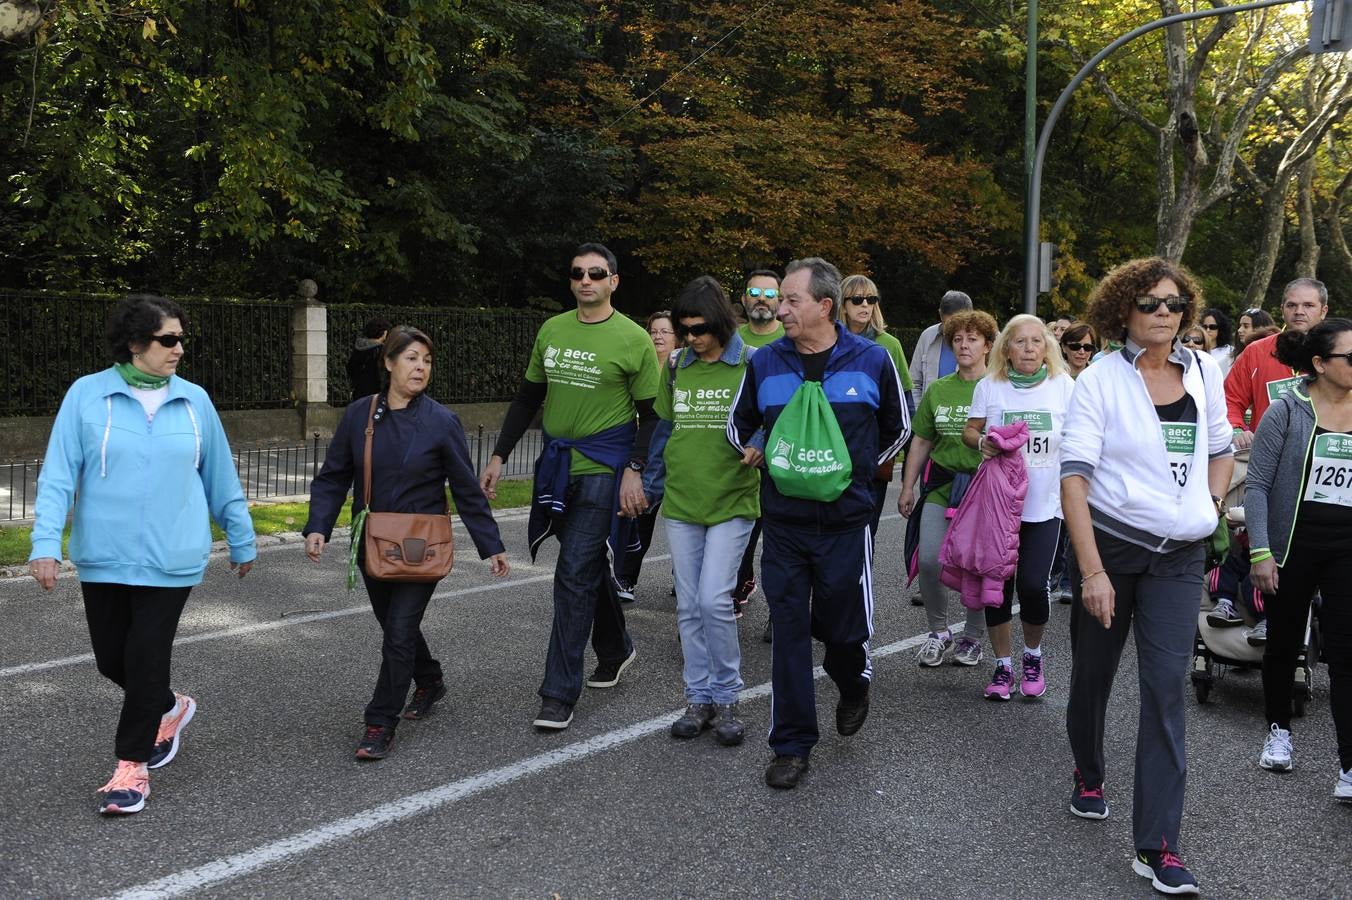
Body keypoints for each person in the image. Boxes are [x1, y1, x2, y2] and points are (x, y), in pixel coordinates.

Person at [28, 294, 258, 816]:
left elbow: (219, 475)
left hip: (173, 557)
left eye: (181, 338)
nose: (179, 348)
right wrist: (45, 544)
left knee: (146, 655)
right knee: (112, 658)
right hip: (103, 554)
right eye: (168, 339)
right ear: (135, 344)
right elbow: (59, 475)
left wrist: (241, 537)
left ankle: (130, 770)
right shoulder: (87, 396)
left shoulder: (195, 400)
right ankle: (169, 707)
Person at [1060, 258, 1233, 895]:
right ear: (1122, 312)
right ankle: (1087, 770)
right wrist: (1092, 570)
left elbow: (1219, 446)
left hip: (1180, 557)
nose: (1165, 313)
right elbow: (1073, 480)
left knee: (1165, 689)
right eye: (1150, 303)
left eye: (1174, 303)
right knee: (1093, 675)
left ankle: (1157, 846)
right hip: (1112, 548)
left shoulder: (1205, 370)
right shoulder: (1100, 381)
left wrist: (1210, 506)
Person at [728, 257, 908, 790]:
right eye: (779, 299)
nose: (779, 309)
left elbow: (899, 428)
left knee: (843, 632)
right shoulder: (765, 364)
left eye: (791, 300)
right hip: (783, 523)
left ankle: (852, 682)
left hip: (847, 524)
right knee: (788, 629)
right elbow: (738, 428)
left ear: (824, 307)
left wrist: (851, 477)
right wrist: (763, 448)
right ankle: (791, 744)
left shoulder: (872, 361)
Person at [304, 325, 509, 759]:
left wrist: (491, 545)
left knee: (398, 631)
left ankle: (380, 721)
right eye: (412, 358)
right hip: (373, 544)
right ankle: (430, 679)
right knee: (396, 627)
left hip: (422, 547)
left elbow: (466, 487)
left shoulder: (441, 421)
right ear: (389, 362)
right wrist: (317, 525)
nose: (420, 367)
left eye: (427, 360)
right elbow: (334, 476)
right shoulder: (360, 414)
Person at [480, 242, 660, 732]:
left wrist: (635, 468)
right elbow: (527, 397)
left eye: (596, 273)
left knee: (573, 571)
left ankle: (558, 693)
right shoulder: (552, 329)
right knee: (586, 566)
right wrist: (498, 455)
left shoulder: (633, 339)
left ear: (613, 281)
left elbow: (651, 415)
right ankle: (617, 647)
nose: (586, 280)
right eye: (578, 273)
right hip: (557, 465)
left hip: (605, 466)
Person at [1244, 318, 1352, 801]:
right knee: (1284, 642)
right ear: (1319, 364)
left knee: (1347, 654)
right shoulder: (1287, 411)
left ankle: (1349, 765)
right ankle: (1279, 730)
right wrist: (1262, 551)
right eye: (1349, 357)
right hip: (1292, 544)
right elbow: (1258, 485)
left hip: (1346, 547)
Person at [657, 277, 760, 745]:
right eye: (684, 330)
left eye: (699, 329)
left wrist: (759, 442)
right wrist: (643, 474)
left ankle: (727, 697)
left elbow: (776, 415)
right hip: (682, 500)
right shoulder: (677, 365)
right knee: (688, 605)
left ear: (719, 322)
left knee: (715, 600)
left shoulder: (752, 364)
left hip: (733, 500)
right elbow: (665, 425)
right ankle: (697, 696)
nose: (692, 338)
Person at [962, 315, 1075, 700]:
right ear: (1006, 348)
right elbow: (969, 430)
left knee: (1031, 584)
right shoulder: (990, 386)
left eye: (1036, 342)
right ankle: (1002, 665)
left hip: (1044, 504)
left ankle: (1032, 655)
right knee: (997, 586)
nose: (1028, 348)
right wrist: (982, 444)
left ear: (1047, 348)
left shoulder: (1063, 386)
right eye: (1020, 342)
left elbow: (1080, 436)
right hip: (998, 505)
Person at [901, 309, 999, 667]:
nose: (963, 345)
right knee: (928, 558)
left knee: (976, 565)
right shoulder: (939, 389)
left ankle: (972, 637)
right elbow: (922, 441)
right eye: (957, 339)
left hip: (984, 490)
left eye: (972, 339)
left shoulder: (999, 388)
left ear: (988, 345)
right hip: (942, 483)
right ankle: (938, 631)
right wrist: (908, 486)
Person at [838, 274, 917, 538]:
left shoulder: (889, 345)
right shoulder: (828, 341)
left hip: (873, 455)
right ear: (843, 304)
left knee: (864, 535)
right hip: (831, 451)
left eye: (871, 299)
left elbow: (906, 407)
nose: (865, 305)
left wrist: (899, 465)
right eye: (857, 299)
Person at [610, 310, 677, 602]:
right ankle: (625, 579)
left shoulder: (682, 369)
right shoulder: (638, 369)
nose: (658, 336)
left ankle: (684, 578)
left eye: (665, 331)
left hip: (676, 457)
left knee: (682, 525)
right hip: (644, 456)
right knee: (641, 516)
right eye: (654, 331)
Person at [732, 270, 784, 629]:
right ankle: (737, 586)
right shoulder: (731, 339)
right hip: (739, 451)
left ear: (780, 300)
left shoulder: (790, 339)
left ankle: (782, 609)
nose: (762, 298)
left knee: (780, 536)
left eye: (769, 292)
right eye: (755, 291)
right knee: (741, 530)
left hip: (783, 450)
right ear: (744, 299)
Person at [1226, 278, 1329, 451]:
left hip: (1321, 454)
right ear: (1282, 310)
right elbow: (1230, 400)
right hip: (1266, 454)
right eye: (1291, 305)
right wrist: (1236, 429)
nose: (1299, 312)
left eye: (1308, 305)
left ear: (1323, 311)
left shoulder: (1339, 352)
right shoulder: (1256, 351)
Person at [909, 290, 974, 409]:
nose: (953, 331)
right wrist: (921, 414)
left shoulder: (988, 339)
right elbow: (914, 382)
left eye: (959, 324)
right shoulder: (927, 336)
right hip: (930, 418)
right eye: (948, 324)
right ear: (940, 314)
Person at [347, 318, 390, 402]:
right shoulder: (382, 351)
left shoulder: (358, 348)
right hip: (376, 394)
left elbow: (350, 368)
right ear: (384, 332)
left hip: (359, 393)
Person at [1200, 307, 1233, 374]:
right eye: (1205, 327)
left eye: (1212, 327)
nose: (1208, 330)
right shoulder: (1196, 349)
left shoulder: (1230, 351)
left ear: (1220, 328)